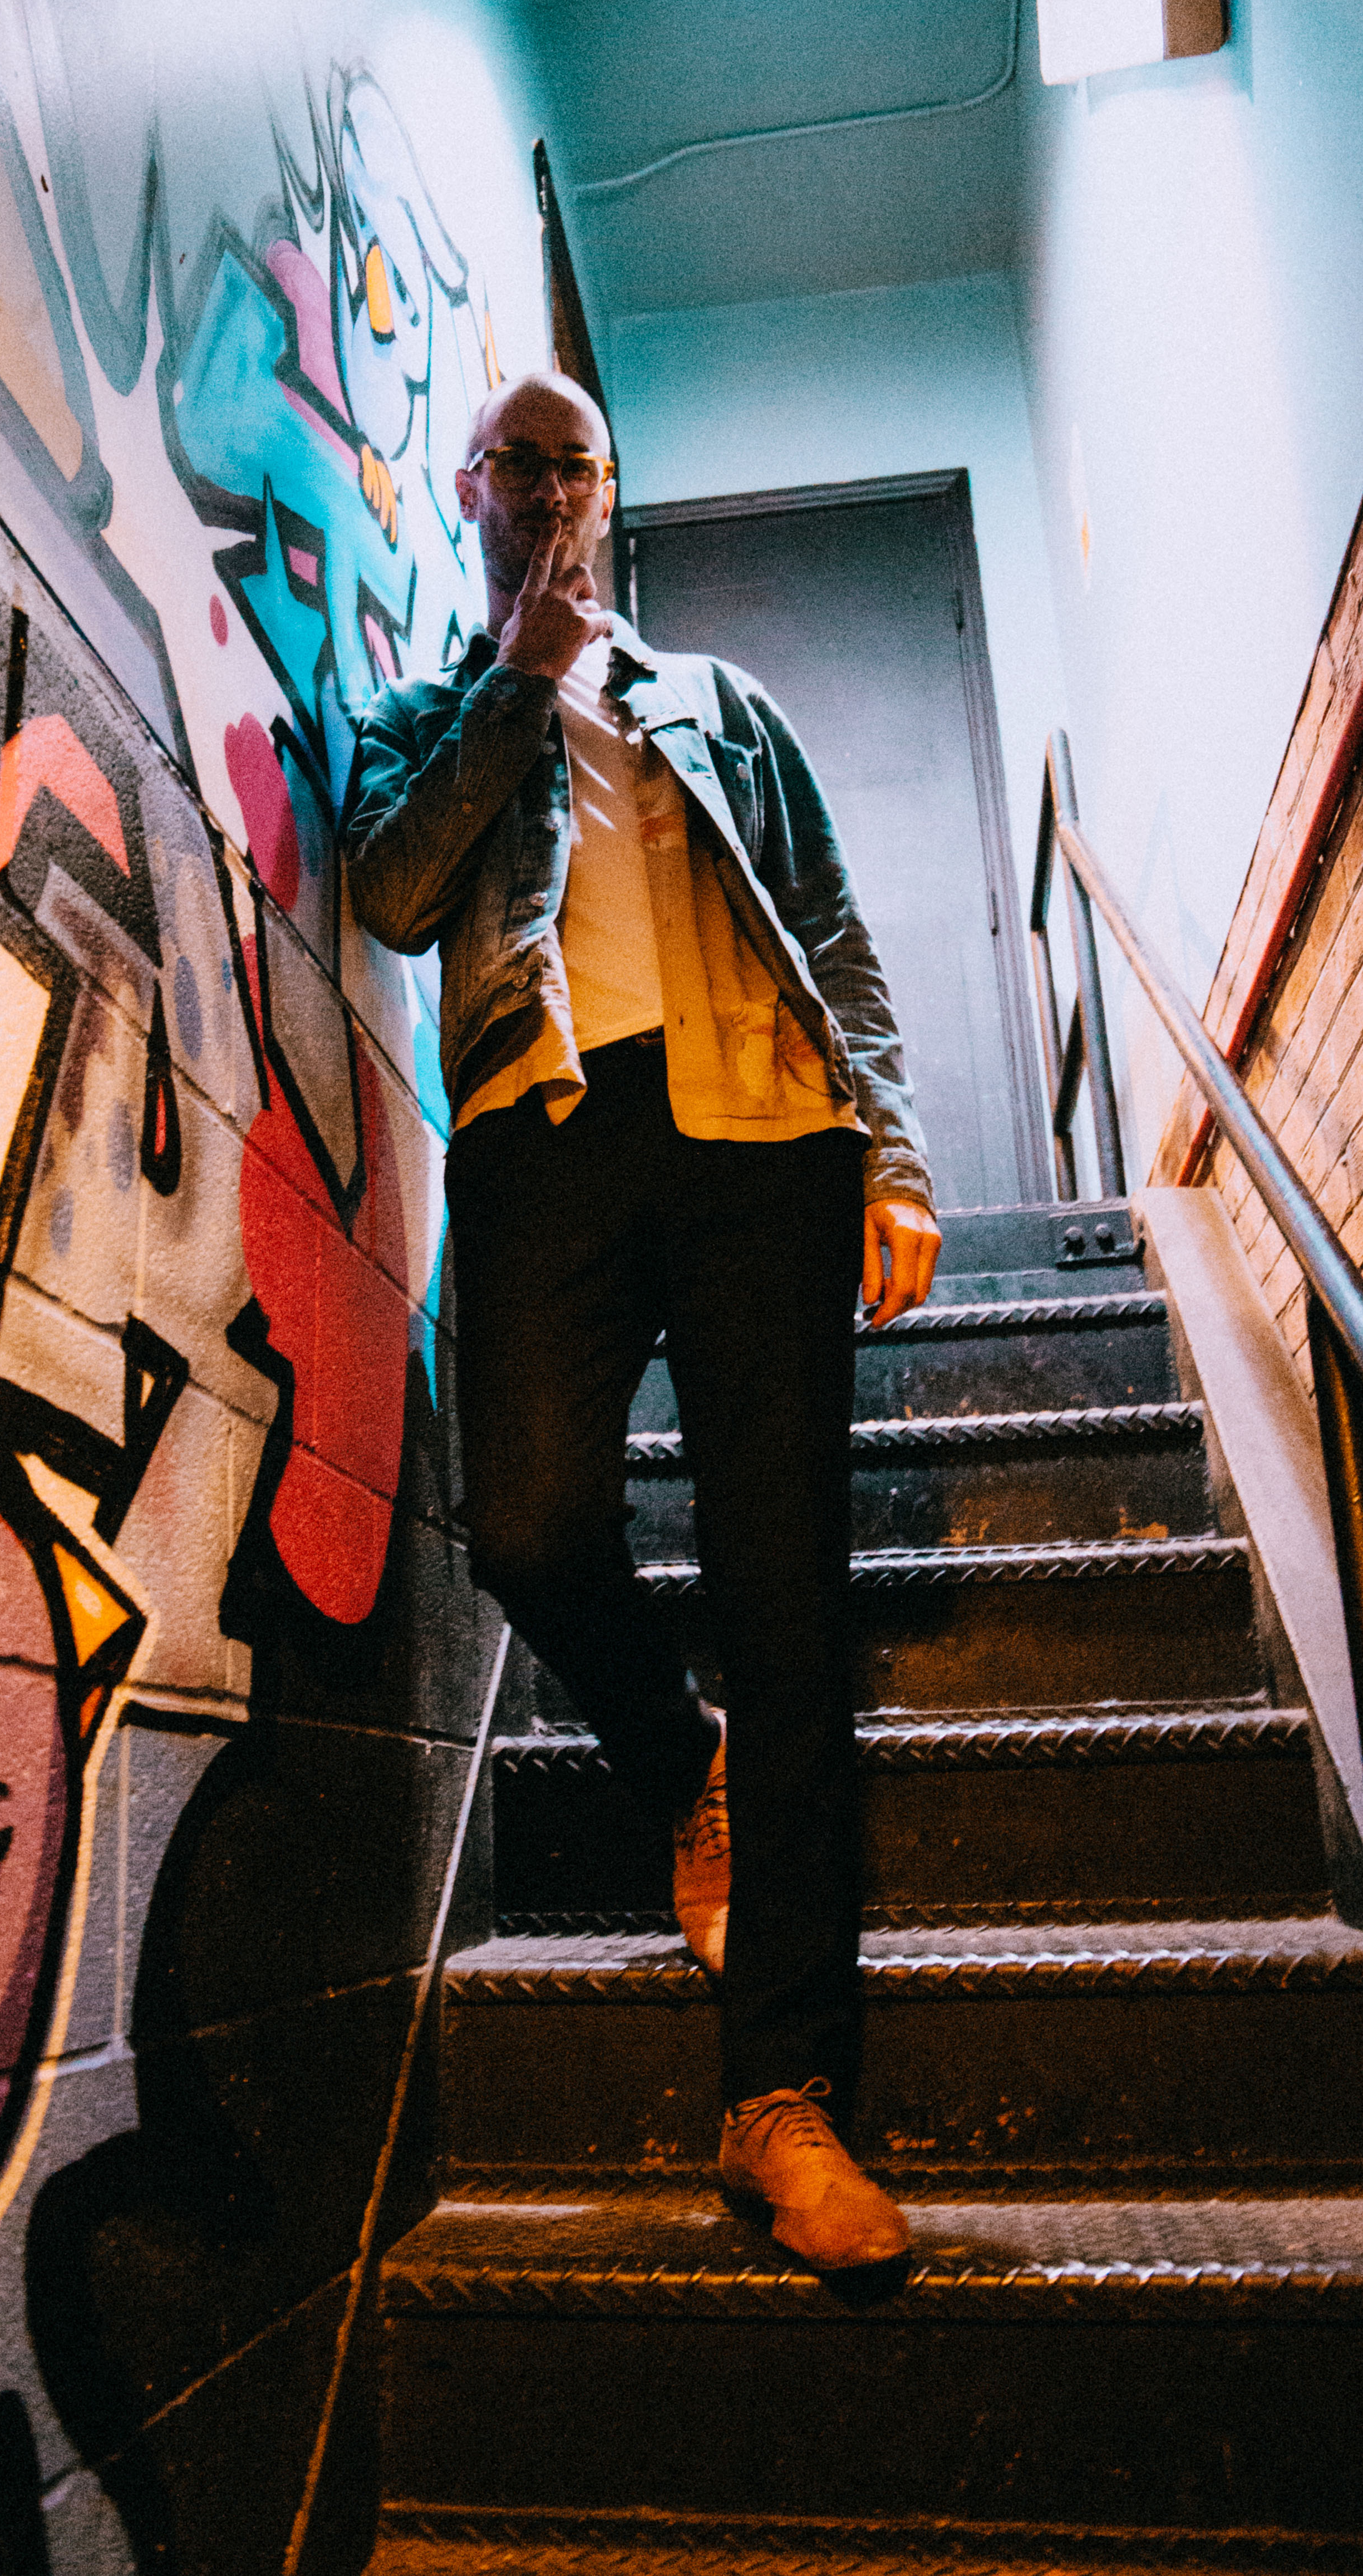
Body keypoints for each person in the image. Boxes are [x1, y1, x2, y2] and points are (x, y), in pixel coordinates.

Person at [341, 371, 939, 2274]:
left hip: (766, 1132)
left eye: (572, 463)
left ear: (607, 492)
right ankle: (686, 1767)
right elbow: (396, 891)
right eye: (513, 463)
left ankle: (785, 2103)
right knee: (525, 1525)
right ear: (469, 490)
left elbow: (831, 932)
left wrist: (894, 1158)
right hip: (548, 1132)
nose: (543, 489)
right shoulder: (424, 713)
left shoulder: (726, 706)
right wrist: (518, 683)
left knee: (786, 1600)